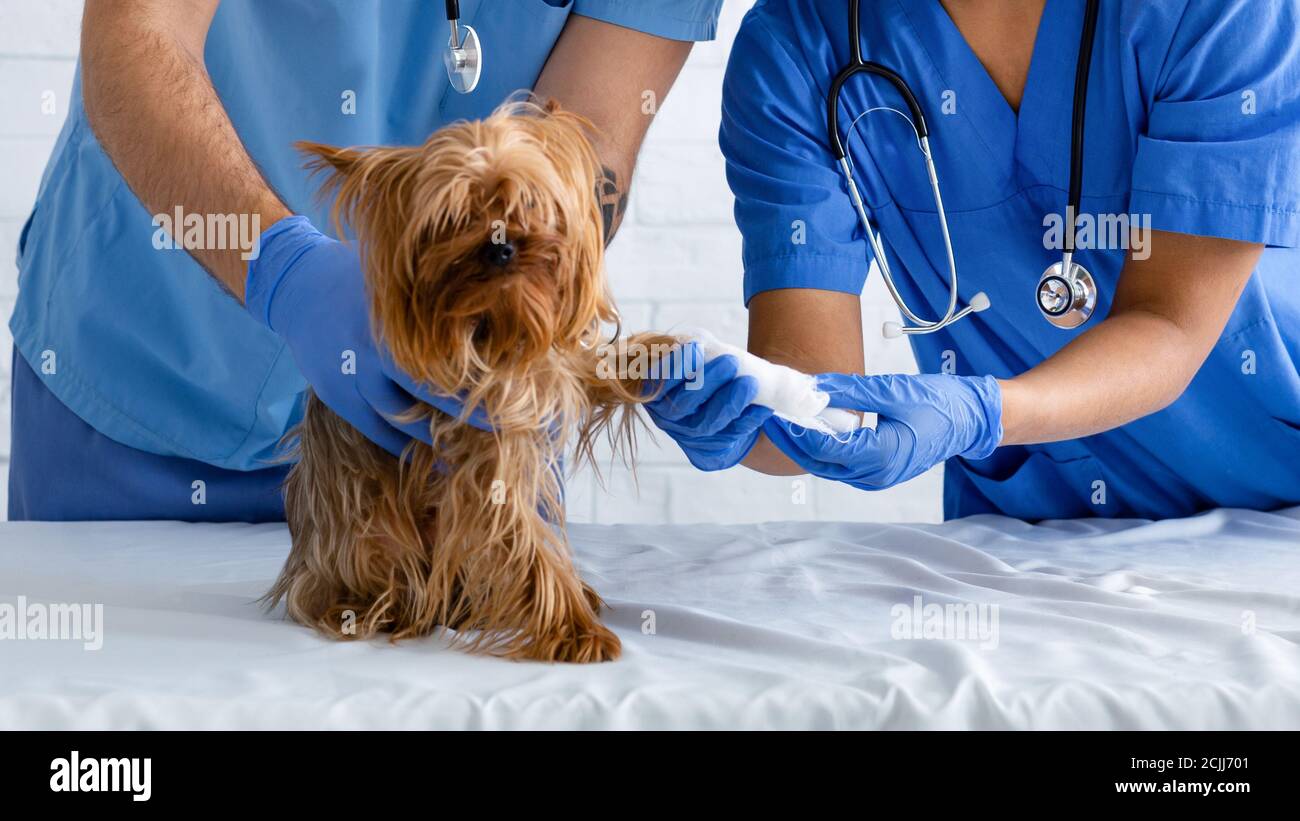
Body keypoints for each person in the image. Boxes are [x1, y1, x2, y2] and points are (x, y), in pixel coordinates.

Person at [8, 0, 722, 521]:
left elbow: (586, 148)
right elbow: (137, 32)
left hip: (449, 437)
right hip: (150, 378)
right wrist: (283, 269)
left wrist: (552, 319)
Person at [646, 0, 1300, 521]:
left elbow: (1171, 325)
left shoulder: (1216, 9)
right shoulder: (794, 50)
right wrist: (750, 414)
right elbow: (815, 384)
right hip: (1029, 542)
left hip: (1272, 508)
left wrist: (984, 411)